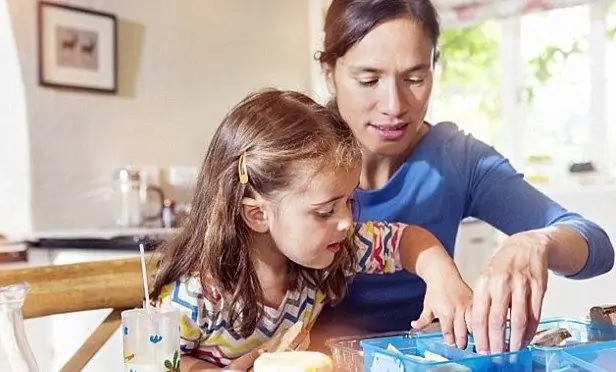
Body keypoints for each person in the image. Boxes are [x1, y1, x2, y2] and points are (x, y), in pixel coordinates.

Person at [312, 0, 615, 355]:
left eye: (415, 78)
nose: (394, 105)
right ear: (329, 72)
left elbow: (596, 246)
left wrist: (538, 241)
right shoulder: (291, 160)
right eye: (369, 80)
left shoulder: (457, 158)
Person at [150, 89, 472, 370]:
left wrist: (442, 276)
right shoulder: (197, 293)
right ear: (258, 215)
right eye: (325, 211)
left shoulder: (337, 246)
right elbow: (150, 359)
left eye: (348, 201)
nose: (346, 221)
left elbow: (405, 240)